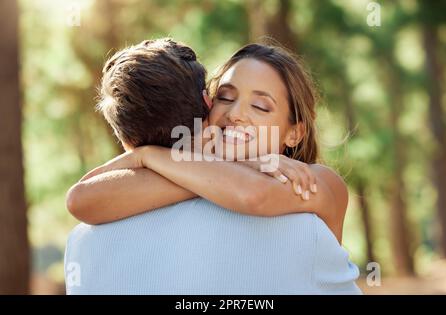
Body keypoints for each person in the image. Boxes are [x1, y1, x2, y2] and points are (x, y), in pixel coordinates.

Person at [64, 38, 361, 294]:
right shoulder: (200, 170)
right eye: (225, 97)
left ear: (295, 131)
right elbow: (81, 199)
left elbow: (254, 194)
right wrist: (219, 160)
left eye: (260, 106)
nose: (236, 114)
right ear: (207, 108)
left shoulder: (318, 182)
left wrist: (148, 156)